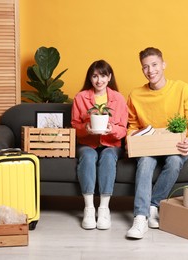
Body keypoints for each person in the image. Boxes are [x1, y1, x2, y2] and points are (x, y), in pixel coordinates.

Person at [126, 47, 188, 239]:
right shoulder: (135, 95)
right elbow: (132, 125)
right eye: (145, 67)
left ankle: (154, 205)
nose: (150, 71)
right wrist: (130, 140)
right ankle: (141, 218)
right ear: (142, 70)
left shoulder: (182, 88)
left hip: (174, 145)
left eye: (154, 65)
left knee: (175, 161)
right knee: (144, 163)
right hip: (148, 146)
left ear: (163, 65)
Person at [71, 60, 128, 230]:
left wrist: (112, 130)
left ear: (109, 77)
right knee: (89, 156)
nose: (99, 80)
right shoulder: (80, 97)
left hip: (111, 144)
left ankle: (104, 208)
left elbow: (123, 129)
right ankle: (89, 208)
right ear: (90, 78)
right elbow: (74, 125)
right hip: (87, 143)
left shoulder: (118, 98)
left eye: (103, 75)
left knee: (109, 156)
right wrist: (85, 129)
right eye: (95, 76)